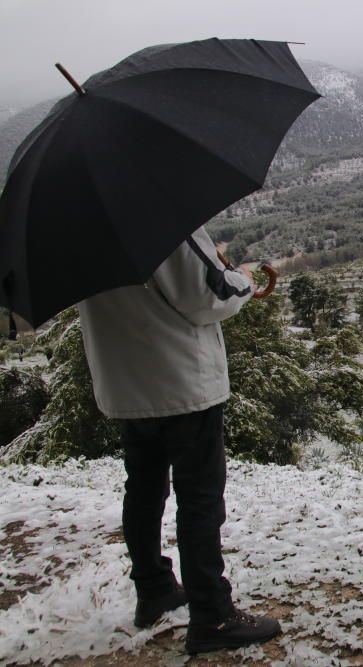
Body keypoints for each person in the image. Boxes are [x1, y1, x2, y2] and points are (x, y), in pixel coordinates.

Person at [77, 226, 281, 655]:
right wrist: (241, 278)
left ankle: (153, 590)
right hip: (183, 379)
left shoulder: (77, 225)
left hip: (125, 382)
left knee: (144, 487)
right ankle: (211, 614)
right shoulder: (159, 216)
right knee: (200, 496)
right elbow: (207, 296)